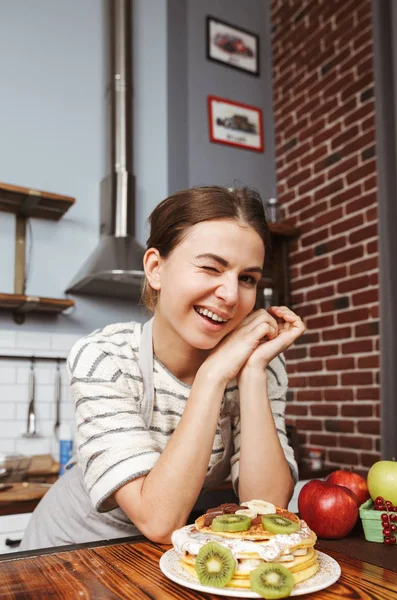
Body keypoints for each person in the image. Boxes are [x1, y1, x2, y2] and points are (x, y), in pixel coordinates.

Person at [21, 185, 305, 550]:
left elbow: (267, 510)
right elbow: (157, 519)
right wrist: (214, 373)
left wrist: (252, 373)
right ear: (156, 268)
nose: (231, 295)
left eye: (247, 278)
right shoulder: (106, 358)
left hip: (164, 557)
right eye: (210, 268)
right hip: (69, 553)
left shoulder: (259, 364)